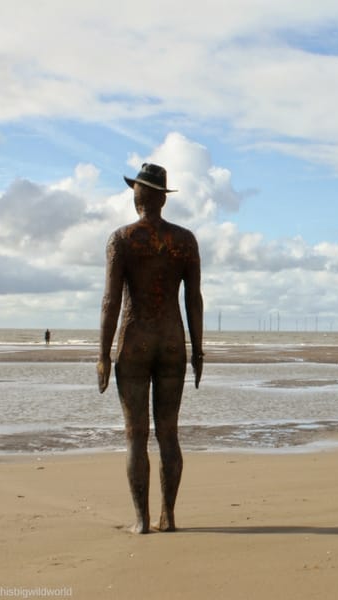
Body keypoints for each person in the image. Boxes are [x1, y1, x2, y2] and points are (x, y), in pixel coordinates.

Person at [97, 163, 204, 534]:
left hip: (135, 340)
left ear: (137, 196)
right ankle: (168, 517)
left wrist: (102, 354)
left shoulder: (122, 239)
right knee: (169, 433)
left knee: (136, 435)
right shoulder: (185, 240)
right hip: (173, 341)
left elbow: (111, 301)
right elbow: (194, 300)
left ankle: (142, 521)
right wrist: (199, 350)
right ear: (162, 198)